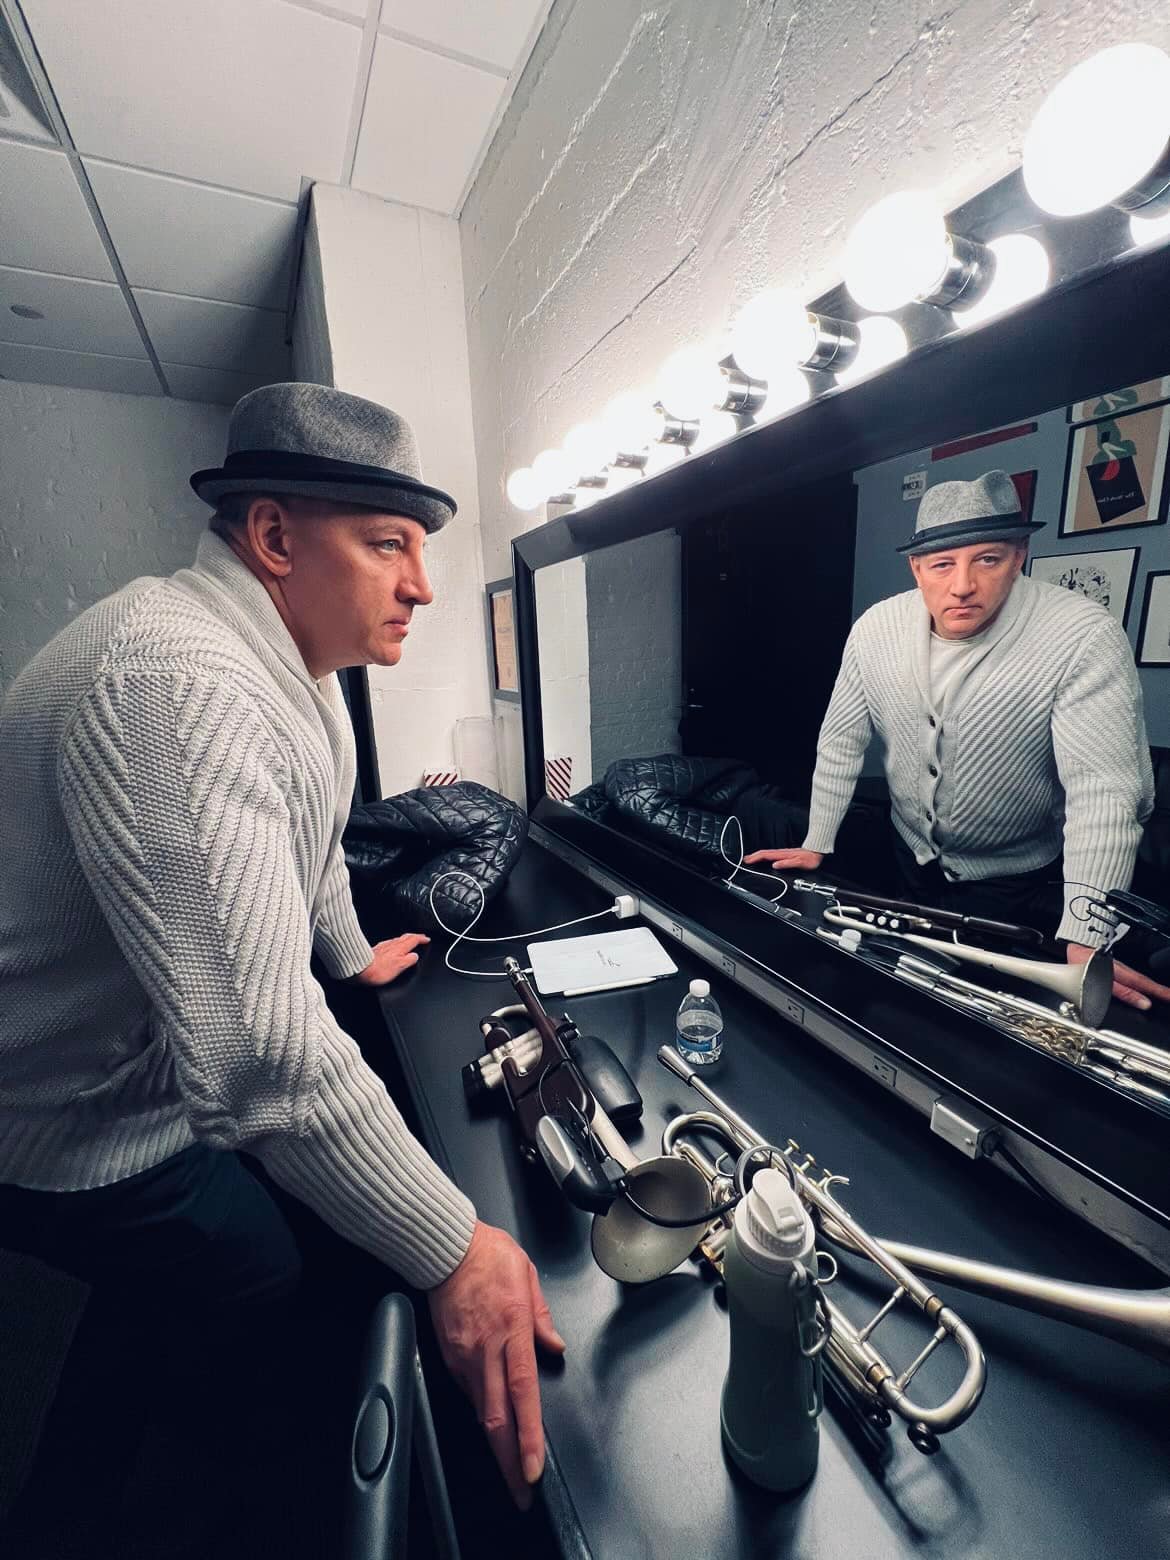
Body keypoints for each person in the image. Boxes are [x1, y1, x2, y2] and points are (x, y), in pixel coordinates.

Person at [0, 383, 562, 1547]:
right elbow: (258, 1058)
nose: (421, 582)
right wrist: (454, 1252)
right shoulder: (173, 683)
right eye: (386, 545)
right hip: (61, 1113)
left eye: (419, 548)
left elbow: (305, 843)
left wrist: (351, 959)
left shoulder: (291, 672)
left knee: (273, 1237)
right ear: (271, 538)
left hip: (139, 1060)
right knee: (253, 1272)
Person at [745, 469, 1169, 1012]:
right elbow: (842, 739)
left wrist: (1087, 932)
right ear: (917, 569)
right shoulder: (875, 629)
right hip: (909, 858)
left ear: (1019, 555)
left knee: (987, 1019)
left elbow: (1105, 791)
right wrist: (817, 841)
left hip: (1017, 877)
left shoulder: (1083, 635)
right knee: (903, 1002)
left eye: (987, 559)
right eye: (943, 564)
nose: (962, 584)